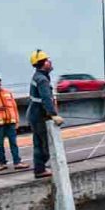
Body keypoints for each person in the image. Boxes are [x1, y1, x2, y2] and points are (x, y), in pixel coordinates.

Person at [26, 50, 64, 179]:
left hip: (34, 114)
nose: (50, 61)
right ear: (42, 64)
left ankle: (39, 169)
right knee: (45, 144)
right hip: (39, 115)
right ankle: (40, 169)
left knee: (38, 143)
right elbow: (46, 98)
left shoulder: (38, 76)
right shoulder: (42, 79)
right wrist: (53, 114)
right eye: (47, 60)